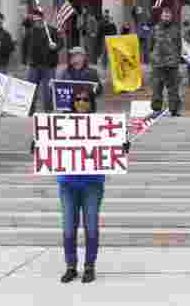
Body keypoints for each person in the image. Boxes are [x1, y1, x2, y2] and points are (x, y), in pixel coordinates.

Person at [34, 85, 129, 285]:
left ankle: (89, 266)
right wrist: (38, 145)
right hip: (68, 183)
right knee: (69, 227)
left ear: (91, 103)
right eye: (77, 99)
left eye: (85, 99)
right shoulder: (61, 123)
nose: (81, 103)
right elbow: (48, 145)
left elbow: (112, 146)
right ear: (72, 103)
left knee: (91, 226)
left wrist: (122, 146)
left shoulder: (101, 124)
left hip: (92, 183)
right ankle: (70, 266)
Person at [21, 7, 63, 114]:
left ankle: (48, 111)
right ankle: (30, 111)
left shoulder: (51, 31)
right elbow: (24, 46)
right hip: (34, 65)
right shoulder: (30, 32)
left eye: (39, 19)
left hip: (49, 65)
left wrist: (55, 46)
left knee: (48, 91)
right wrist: (24, 61)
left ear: (43, 19)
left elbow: (60, 43)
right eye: (34, 19)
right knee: (30, 89)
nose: (37, 21)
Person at [149, 6, 183, 116]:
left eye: (168, 15)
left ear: (171, 17)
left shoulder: (176, 29)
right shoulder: (155, 29)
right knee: (157, 87)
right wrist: (152, 57)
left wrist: (177, 59)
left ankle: (174, 109)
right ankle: (156, 109)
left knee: (173, 88)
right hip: (158, 64)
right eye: (164, 15)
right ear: (161, 16)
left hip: (172, 64)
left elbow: (179, 45)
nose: (166, 17)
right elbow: (150, 45)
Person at [58, 46, 103, 112]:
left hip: (86, 109)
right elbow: (60, 91)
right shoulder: (65, 72)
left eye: (75, 55)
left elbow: (99, 91)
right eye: (71, 56)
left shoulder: (92, 72)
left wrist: (95, 89)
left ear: (82, 58)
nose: (72, 57)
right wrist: (53, 87)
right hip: (69, 109)